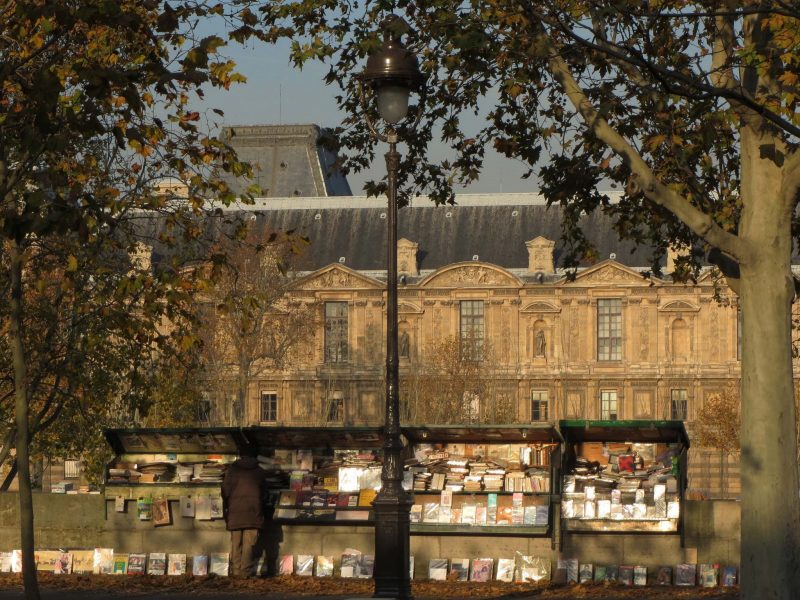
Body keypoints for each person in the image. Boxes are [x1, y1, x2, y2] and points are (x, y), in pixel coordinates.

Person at [221, 448, 266, 578]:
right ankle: (245, 573)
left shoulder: (232, 471)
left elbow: (225, 492)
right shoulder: (259, 472)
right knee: (249, 545)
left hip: (235, 513)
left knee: (236, 544)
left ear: (240, 456)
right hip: (254, 513)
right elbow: (264, 493)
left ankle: (236, 571)